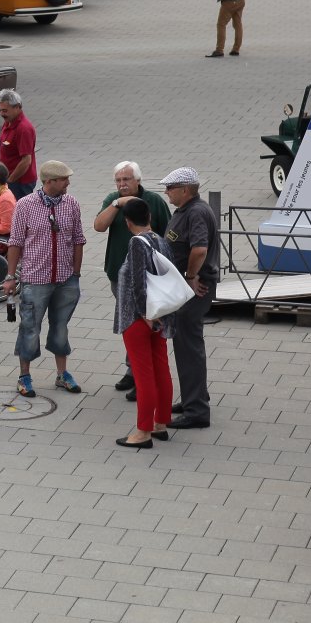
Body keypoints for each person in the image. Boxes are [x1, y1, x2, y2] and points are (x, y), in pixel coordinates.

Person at [3, 160, 86, 397]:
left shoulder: (71, 204)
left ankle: (62, 374)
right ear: (49, 182)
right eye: (64, 179)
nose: (68, 183)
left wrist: (76, 274)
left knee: (61, 328)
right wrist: (10, 276)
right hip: (35, 280)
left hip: (66, 279)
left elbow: (78, 239)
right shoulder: (25, 205)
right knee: (30, 328)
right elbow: (15, 242)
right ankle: (24, 376)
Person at [92, 161, 171, 399]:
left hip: (148, 277)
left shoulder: (154, 201)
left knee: (143, 324)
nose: (122, 184)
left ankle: (141, 376)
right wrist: (118, 204)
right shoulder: (112, 200)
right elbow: (98, 226)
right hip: (119, 274)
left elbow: (167, 234)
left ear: (138, 180)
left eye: (126, 179)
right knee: (130, 324)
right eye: (118, 180)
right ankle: (132, 370)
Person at [113, 198, 174, 448]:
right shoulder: (161, 240)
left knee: (143, 375)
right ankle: (161, 423)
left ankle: (143, 432)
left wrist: (145, 313)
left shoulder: (137, 243)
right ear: (149, 217)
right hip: (161, 314)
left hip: (139, 318)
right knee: (161, 370)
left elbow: (138, 282)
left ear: (128, 222)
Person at [162, 167, 219, 430]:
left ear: (185, 190)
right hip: (190, 288)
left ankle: (196, 411)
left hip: (194, 290)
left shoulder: (195, 212)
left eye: (170, 188)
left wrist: (190, 276)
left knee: (188, 349)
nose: (166, 192)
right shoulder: (189, 209)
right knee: (187, 347)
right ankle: (192, 398)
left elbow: (199, 249)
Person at [0, 88, 37, 200]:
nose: (2, 114)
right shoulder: (8, 122)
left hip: (19, 183)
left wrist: (10, 181)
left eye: (5, 110)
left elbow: (26, 161)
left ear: (17, 107)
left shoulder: (24, 129)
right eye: (0, 110)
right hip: (8, 179)